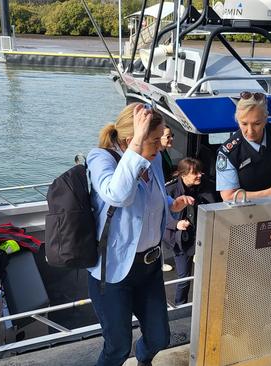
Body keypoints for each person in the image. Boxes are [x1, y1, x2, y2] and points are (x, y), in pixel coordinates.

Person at [86, 103, 194, 366]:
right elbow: (118, 195)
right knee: (117, 348)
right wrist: (136, 147)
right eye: (155, 140)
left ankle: (143, 360)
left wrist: (171, 206)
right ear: (130, 139)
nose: (161, 146)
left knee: (159, 338)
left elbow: (153, 201)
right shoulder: (100, 158)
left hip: (149, 268)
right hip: (112, 273)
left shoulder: (153, 158)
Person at [216, 91, 271, 201]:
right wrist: (270, 193)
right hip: (246, 212)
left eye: (257, 124)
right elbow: (229, 196)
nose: (250, 131)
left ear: (265, 119)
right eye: (244, 124)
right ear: (237, 121)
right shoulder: (228, 152)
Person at [163, 158, 217, 305]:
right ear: (183, 175)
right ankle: (181, 305)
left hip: (203, 236)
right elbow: (159, 216)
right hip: (180, 239)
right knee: (184, 277)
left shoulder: (208, 186)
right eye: (195, 173)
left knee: (209, 274)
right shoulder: (170, 190)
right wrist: (176, 224)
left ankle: (206, 303)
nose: (200, 175)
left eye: (200, 171)